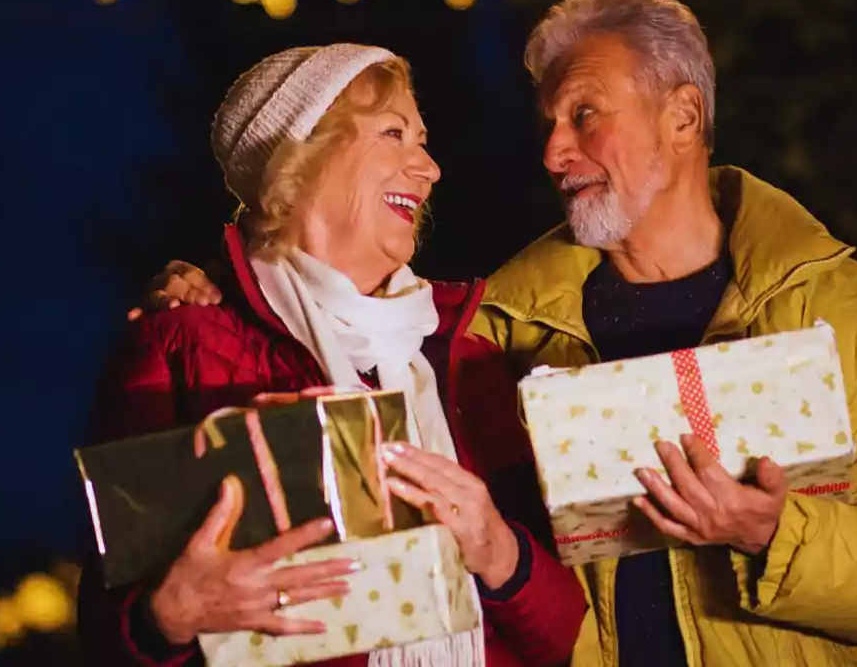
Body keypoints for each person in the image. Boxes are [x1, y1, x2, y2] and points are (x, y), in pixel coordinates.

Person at [137, 0, 857, 666]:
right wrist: (220, 290)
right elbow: (334, 310)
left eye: (585, 114)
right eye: (548, 123)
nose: (554, 151)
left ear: (684, 116)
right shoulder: (489, 332)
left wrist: (776, 534)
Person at [77, 44, 587, 667]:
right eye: (393, 134)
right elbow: (106, 637)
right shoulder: (181, 345)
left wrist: (498, 549)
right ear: (303, 159)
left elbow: (565, 635)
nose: (428, 167)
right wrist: (171, 617)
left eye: (421, 140)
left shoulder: (463, 362)